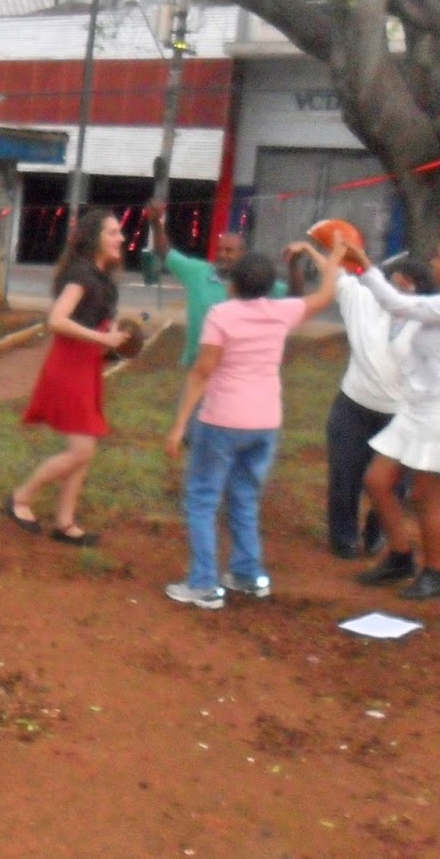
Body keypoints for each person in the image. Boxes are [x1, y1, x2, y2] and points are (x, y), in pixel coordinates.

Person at [162, 242, 345, 609]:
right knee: (244, 496)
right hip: (265, 421)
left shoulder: (222, 315)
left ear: (233, 284)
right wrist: (333, 259)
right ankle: (247, 574)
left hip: (222, 418)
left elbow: (202, 372)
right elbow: (326, 295)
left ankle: (204, 583)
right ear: (268, 287)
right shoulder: (281, 311)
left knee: (202, 499)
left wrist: (180, 424)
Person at [350, 235, 440, 599]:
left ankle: (435, 573)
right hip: (417, 406)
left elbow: (398, 304)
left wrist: (364, 266)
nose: (433, 262)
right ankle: (400, 557)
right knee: (377, 481)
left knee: (424, 496)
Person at [293, 247, 435, 559]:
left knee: (392, 483)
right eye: (396, 280)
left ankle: (378, 533)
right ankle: (343, 538)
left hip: (401, 415)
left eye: (410, 283)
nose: (402, 287)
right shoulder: (362, 301)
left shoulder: (428, 321)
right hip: (353, 407)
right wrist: (311, 250)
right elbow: (336, 273)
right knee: (344, 477)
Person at [5, 209, 131, 546]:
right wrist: (103, 338)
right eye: (113, 232)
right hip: (69, 366)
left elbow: (96, 325)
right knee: (81, 449)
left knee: (85, 447)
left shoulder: (103, 279)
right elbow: (56, 320)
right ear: (94, 239)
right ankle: (20, 498)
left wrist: (115, 342)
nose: (121, 238)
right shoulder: (82, 275)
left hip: (86, 367)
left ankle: (65, 522)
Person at [144, 201, 287, 368]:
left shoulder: (256, 280)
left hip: (235, 369)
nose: (222, 254)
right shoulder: (197, 272)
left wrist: (294, 265)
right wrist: (156, 223)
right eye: (219, 249)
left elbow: (294, 295)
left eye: (229, 251)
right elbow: (164, 252)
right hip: (197, 366)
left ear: (243, 254)